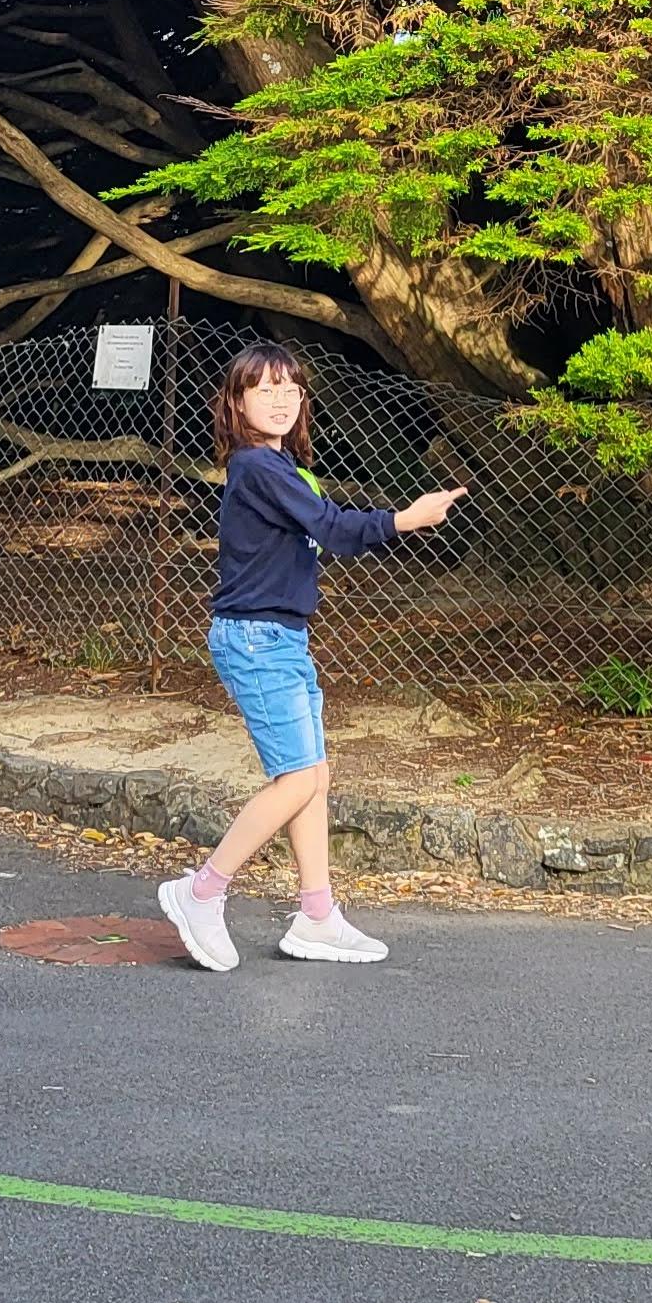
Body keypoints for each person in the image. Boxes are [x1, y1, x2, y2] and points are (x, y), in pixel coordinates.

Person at [158, 343, 464, 970]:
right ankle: (201, 892)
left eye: (290, 388)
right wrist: (404, 519)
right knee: (297, 778)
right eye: (263, 388)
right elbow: (332, 529)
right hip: (255, 639)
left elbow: (321, 527)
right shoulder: (257, 467)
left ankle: (318, 917)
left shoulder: (277, 467)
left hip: (282, 636)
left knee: (313, 777)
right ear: (236, 401)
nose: (280, 399)